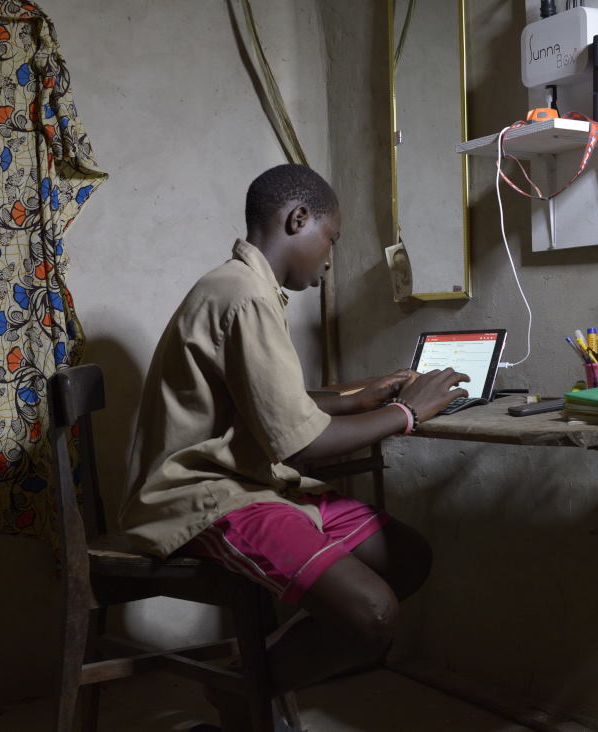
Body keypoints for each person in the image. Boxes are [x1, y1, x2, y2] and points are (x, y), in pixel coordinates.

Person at [119, 164, 468, 730]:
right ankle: (241, 694)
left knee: (408, 556)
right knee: (373, 614)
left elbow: (268, 402)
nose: (330, 259)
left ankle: (255, 673)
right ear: (297, 219)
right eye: (330, 239)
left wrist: (359, 397)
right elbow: (303, 443)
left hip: (250, 482)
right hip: (206, 496)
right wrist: (406, 412)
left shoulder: (245, 286)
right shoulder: (244, 296)